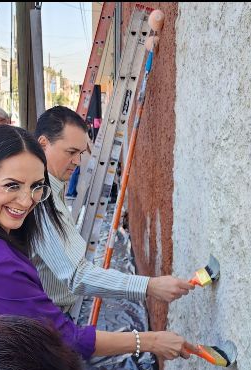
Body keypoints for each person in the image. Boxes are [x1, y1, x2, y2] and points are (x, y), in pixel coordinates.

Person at [0, 125, 195, 370]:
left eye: (37, 186)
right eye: (12, 185)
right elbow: (65, 336)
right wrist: (150, 340)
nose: (26, 202)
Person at [32, 106, 194, 314]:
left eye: (80, 153)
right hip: (47, 320)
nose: (78, 162)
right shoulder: (41, 200)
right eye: (71, 152)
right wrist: (149, 286)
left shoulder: (53, 187)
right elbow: (77, 276)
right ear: (43, 144)